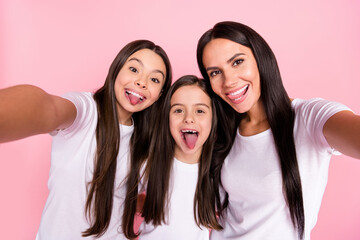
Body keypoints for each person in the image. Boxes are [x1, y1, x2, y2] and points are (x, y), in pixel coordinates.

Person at [196, 21, 360, 240]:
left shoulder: (308, 118)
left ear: (261, 59)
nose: (229, 81)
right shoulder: (221, 133)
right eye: (215, 72)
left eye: (237, 62)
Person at [0, 40, 172, 239]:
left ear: (159, 95)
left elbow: (126, 197)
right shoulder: (86, 111)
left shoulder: (146, 143)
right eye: (134, 69)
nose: (142, 82)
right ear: (116, 70)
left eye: (155, 80)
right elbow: (47, 107)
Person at [122, 75, 222, 239]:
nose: (189, 118)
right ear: (166, 117)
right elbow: (123, 203)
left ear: (213, 119)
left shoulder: (219, 171)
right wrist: (151, 202)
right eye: (178, 110)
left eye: (200, 111)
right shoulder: (148, 164)